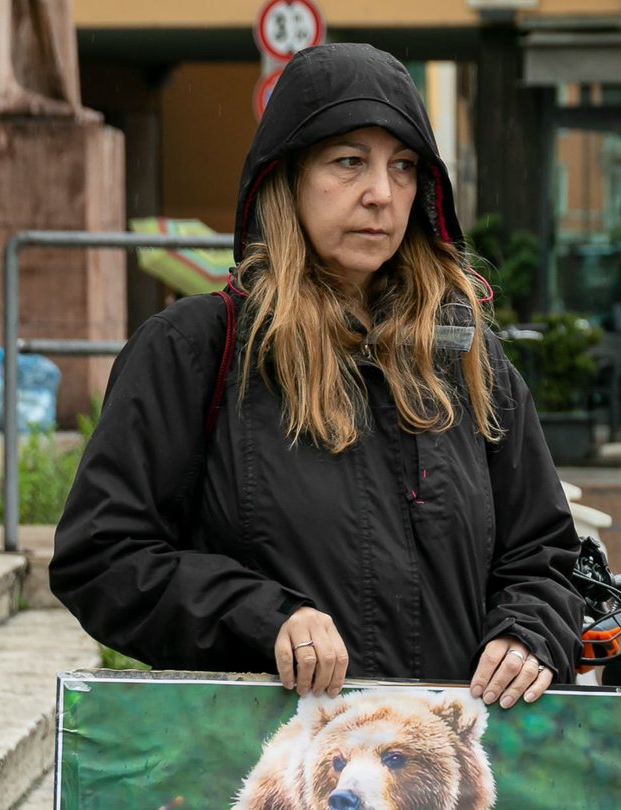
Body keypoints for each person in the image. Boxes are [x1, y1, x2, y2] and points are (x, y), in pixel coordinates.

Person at [52, 42, 582, 705]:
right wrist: (262, 617)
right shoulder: (193, 351)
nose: (381, 195)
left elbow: (543, 555)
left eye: (404, 167)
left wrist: (529, 631)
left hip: (447, 777)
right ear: (288, 177)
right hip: (271, 776)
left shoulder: (465, 354)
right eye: (349, 162)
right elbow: (101, 556)